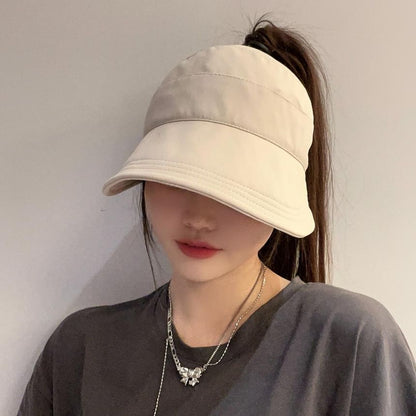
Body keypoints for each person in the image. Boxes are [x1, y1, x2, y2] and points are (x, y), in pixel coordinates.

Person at [17, 15, 416, 416]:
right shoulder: (81, 350)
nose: (200, 217)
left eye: (235, 187)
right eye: (177, 177)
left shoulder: (348, 342)